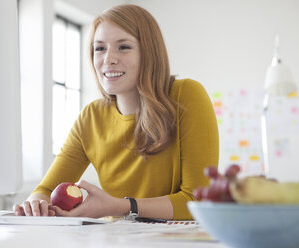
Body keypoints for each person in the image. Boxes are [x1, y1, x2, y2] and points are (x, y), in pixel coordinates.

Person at [13, 4, 219, 220]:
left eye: (124, 47)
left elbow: (199, 202)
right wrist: (36, 205)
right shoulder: (90, 117)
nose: (108, 59)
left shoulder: (186, 95)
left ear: (149, 52)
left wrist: (122, 206)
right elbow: (45, 190)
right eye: (99, 48)